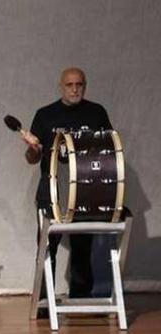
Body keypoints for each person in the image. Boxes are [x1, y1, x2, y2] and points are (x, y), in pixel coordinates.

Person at [20, 67, 113, 302]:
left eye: (79, 84)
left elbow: (108, 149)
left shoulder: (96, 112)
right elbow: (32, 159)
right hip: (51, 191)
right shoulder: (45, 115)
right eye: (70, 85)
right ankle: (42, 301)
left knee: (82, 246)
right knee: (46, 247)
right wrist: (34, 150)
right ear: (61, 86)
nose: (74, 89)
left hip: (84, 190)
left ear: (85, 86)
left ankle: (81, 297)